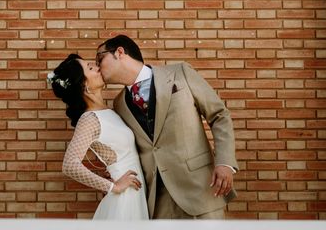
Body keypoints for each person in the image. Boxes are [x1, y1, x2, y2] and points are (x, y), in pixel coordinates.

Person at [96, 35, 238, 219]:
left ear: (120, 52)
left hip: (200, 187)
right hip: (156, 199)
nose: (98, 67)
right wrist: (115, 172)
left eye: (100, 59)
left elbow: (219, 115)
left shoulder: (180, 72)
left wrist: (225, 162)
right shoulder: (119, 104)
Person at [48, 53, 148, 220]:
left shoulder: (110, 111)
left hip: (136, 191)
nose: (96, 67)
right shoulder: (90, 119)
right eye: (90, 67)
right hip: (125, 197)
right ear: (84, 85)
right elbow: (69, 165)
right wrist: (112, 186)